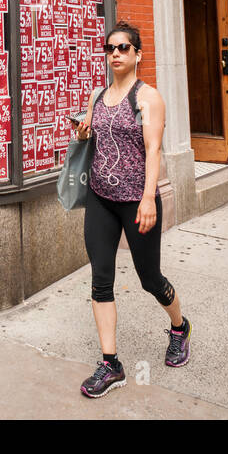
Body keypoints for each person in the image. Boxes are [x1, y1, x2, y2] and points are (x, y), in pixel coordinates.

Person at [71, 20, 188, 399]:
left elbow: (153, 150)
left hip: (137, 202)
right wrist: (84, 130)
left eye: (124, 48)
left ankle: (179, 327)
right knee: (100, 279)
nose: (116, 54)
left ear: (137, 54)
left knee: (149, 279)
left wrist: (149, 198)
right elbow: (90, 136)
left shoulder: (147, 98)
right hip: (101, 200)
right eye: (110, 48)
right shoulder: (97, 96)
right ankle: (111, 364)